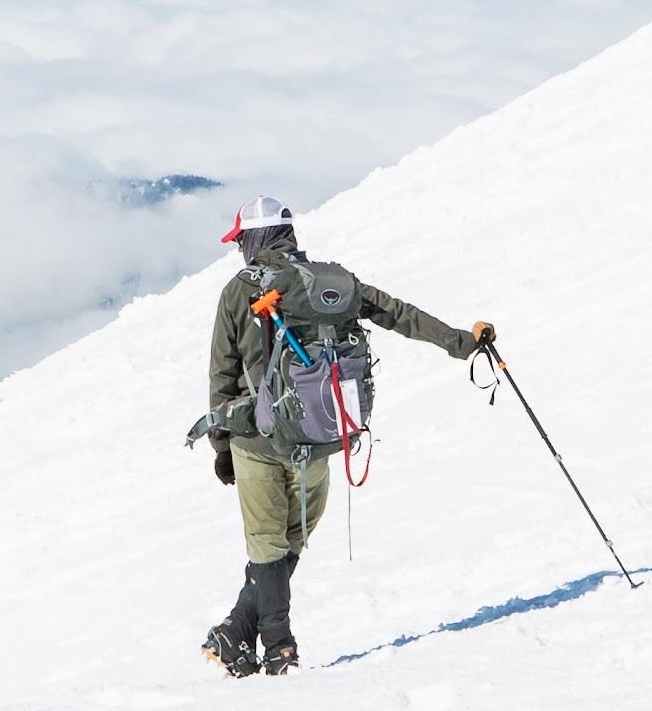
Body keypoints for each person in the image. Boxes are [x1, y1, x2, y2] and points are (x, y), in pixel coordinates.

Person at [197, 195, 492, 678]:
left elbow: (221, 374)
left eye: (240, 242)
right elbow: (399, 314)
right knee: (291, 541)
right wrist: (463, 342)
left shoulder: (238, 291)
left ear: (253, 238)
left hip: (257, 440)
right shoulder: (331, 286)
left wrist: (221, 447)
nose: (239, 252)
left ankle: (277, 649)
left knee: (269, 545)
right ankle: (245, 632)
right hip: (317, 434)